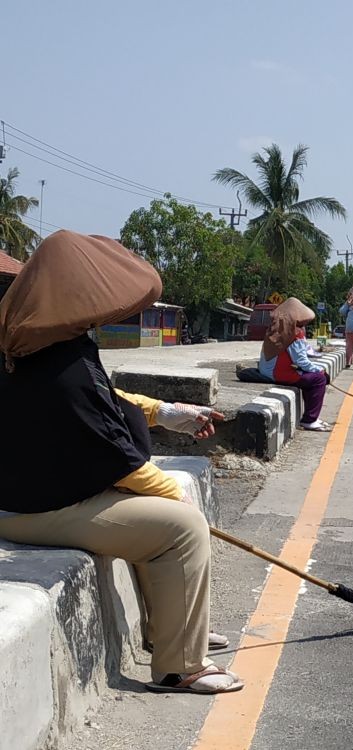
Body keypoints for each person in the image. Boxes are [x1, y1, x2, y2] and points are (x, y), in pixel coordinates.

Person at [0, 230, 241, 695]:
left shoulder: (30, 346)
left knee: (157, 517)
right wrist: (183, 503)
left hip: (24, 494)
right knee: (179, 529)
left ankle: (171, 630)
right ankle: (180, 666)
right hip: (36, 510)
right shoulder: (65, 366)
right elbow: (122, 458)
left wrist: (168, 414)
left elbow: (109, 401)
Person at [258, 297, 332, 432]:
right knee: (318, 379)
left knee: (310, 376)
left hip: (266, 370)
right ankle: (310, 420)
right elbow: (301, 361)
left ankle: (311, 416)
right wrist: (320, 371)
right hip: (277, 373)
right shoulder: (294, 334)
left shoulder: (276, 329)